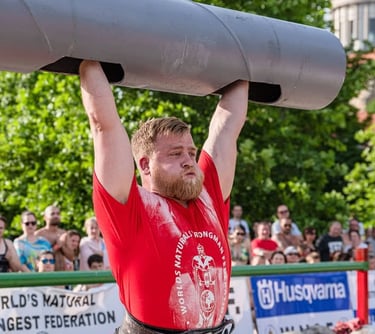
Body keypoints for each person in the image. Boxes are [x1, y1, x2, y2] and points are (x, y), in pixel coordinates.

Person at [79, 60, 249, 333]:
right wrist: (86, 51)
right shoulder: (130, 209)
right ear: (145, 165)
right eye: (175, 154)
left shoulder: (209, 198)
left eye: (191, 153)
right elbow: (104, 125)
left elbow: (227, 128)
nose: (188, 161)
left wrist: (246, 59)